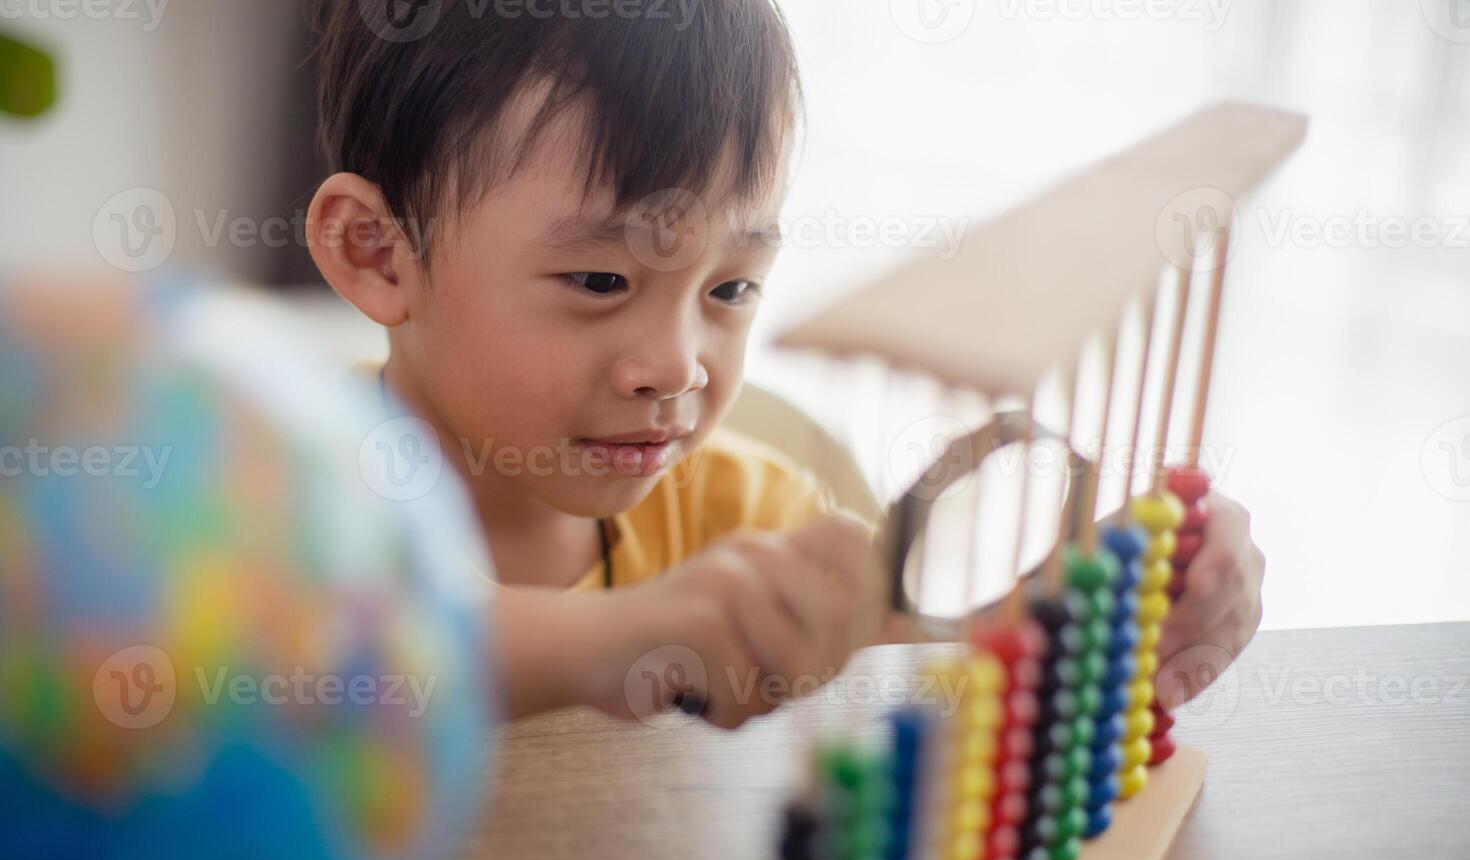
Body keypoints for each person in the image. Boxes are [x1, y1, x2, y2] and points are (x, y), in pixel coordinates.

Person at [303, 0, 1264, 729]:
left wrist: (1104, 612)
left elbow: (930, 679)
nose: (676, 366)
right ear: (378, 254)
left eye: (731, 290)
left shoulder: (745, 519)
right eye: (599, 279)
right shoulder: (264, 490)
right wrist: (625, 636)